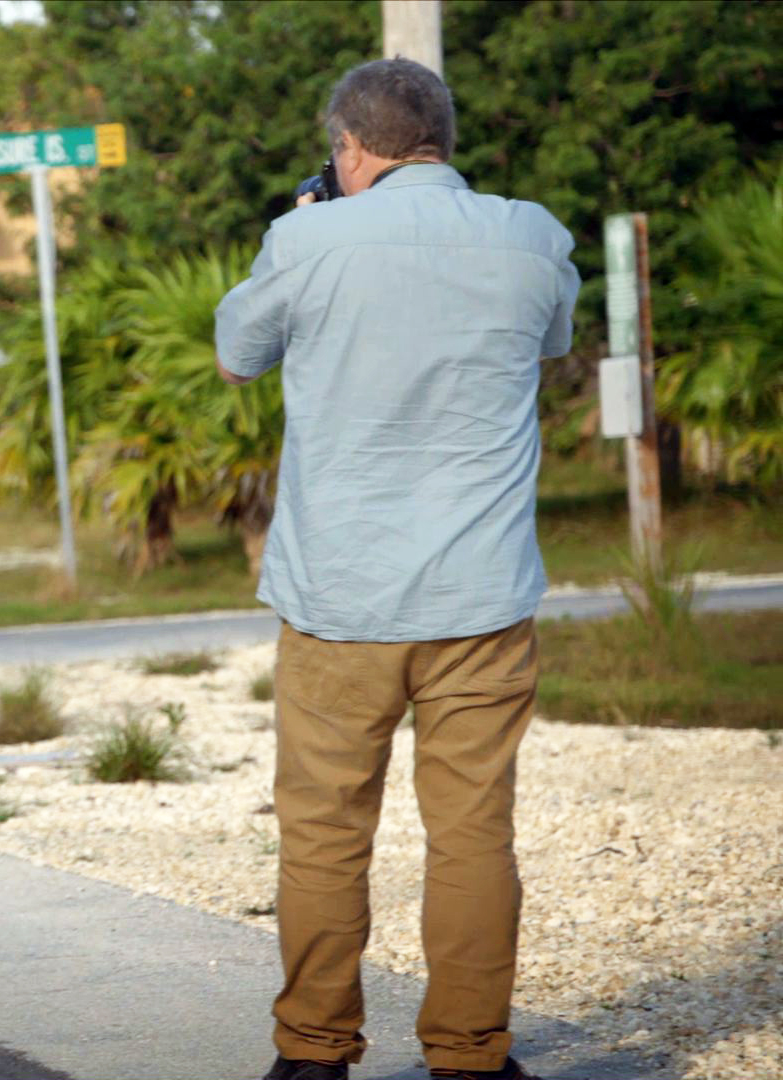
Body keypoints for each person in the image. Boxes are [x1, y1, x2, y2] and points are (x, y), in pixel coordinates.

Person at [212, 58, 579, 1080]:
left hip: (340, 601)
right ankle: (470, 1056)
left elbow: (239, 353)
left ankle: (314, 1055)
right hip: (482, 598)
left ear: (349, 147)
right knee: (472, 834)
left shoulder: (306, 237)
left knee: (326, 834)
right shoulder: (534, 236)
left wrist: (308, 224)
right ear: (442, 142)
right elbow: (548, 342)